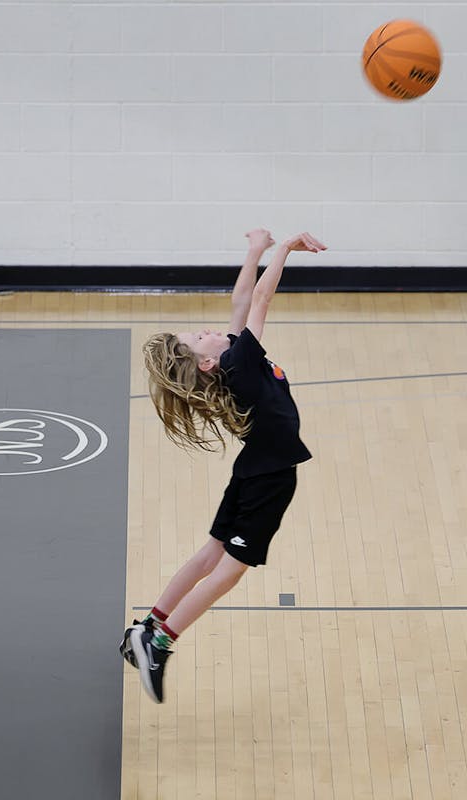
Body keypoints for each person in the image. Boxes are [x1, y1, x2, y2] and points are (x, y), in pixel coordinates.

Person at [122, 228, 326, 703]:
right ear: (209, 363)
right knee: (229, 570)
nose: (209, 330)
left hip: (254, 467)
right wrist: (283, 250)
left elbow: (239, 300)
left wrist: (254, 248)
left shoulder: (232, 357)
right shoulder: (240, 364)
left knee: (211, 554)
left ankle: (147, 625)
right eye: (200, 337)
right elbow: (260, 298)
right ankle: (159, 643)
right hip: (269, 476)